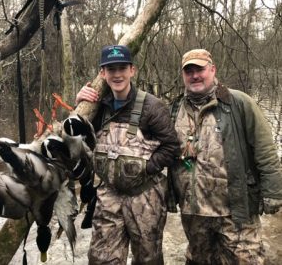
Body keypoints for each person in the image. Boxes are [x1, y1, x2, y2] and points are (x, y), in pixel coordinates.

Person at [168, 48, 282, 264]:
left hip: (235, 210)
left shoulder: (238, 102)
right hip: (194, 212)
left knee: (247, 260)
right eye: (189, 71)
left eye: (200, 69)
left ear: (212, 69)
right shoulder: (175, 109)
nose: (195, 75)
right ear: (183, 75)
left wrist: (273, 192)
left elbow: (265, 149)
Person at [75, 44, 180, 265]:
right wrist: (78, 106)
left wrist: (146, 168)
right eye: (111, 69)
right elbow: (75, 141)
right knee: (101, 259)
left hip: (145, 196)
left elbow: (171, 147)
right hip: (109, 194)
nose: (117, 74)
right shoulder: (96, 107)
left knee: (148, 258)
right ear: (103, 74)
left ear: (132, 70)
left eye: (122, 68)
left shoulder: (153, 106)